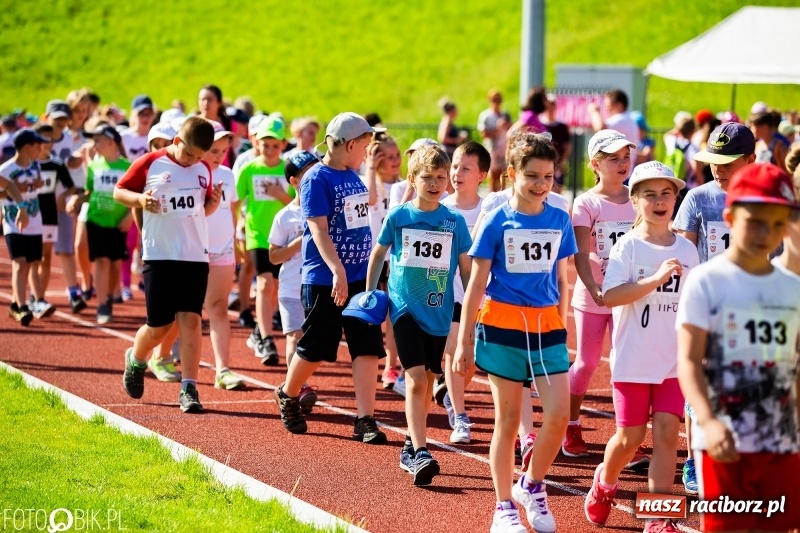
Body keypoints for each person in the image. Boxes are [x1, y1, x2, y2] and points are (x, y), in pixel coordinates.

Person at [455, 131, 576, 533]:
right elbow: (475, 282)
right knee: (507, 421)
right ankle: (503, 507)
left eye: (549, 176)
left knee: (558, 416)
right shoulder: (495, 219)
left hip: (545, 325)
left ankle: (531, 485)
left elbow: (561, 278)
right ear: (511, 175)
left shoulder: (559, 218)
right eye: (533, 176)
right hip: (502, 323)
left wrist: (561, 322)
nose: (542, 184)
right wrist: (465, 340)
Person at [676, 163, 800, 532]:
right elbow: (688, 361)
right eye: (755, 219)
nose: (766, 232)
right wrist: (709, 422)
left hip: (780, 442)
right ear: (729, 216)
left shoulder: (792, 288)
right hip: (723, 441)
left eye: (777, 222)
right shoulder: (705, 281)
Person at [584, 162, 698, 533]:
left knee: (666, 433)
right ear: (635, 201)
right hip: (633, 359)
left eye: (666, 193)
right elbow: (612, 296)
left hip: (672, 361)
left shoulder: (687, 250)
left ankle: (657, 515)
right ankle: (605, 482)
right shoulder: (627, 247)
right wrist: (655, 279)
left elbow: (694, 303)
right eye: (649, 194)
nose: (659, 200)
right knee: (630, 439)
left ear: (675, 198)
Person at [273, 112, 387, 443]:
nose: (366, 151)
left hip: (358, 279)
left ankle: (365, 419)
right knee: (316, 348)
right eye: (364, 145)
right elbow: (318, 230)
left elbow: (361, 224)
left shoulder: (353, 176)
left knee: (366, 347)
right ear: (350, 145)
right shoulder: (316, 179)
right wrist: (337, 269)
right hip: (325, 279)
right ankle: (288, 392)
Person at [366, 143, 471, 484]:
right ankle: (421, 451)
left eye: (441, 177)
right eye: (427, 177)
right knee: (417, 379)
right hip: (404, 307)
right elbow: (378, 254)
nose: (435, 183)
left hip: (439, 311)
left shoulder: (453, 222)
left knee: (428, 379)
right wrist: (370, 292)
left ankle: (412, 441)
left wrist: (470, 305)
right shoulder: (399, 216)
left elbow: (467, 268)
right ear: (412, 178)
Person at [671, 122, 756, 495]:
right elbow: (685, 252)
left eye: (728, 161)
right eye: (714, 161)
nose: (718, 168)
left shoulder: (763, 201)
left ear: (751, 160)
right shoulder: (696, 198)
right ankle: (693, 460)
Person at [114, 117, 221, 413]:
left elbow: (201, 210)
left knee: (191, 320)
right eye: (188, 154)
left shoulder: (203, 169)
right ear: (176, 142)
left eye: (199, 157)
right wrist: (140, 200)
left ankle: (189, 388)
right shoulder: (150, 163)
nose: (193, 161)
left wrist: (212, 203)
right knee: (159, 326)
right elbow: (119, 192)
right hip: (159, 254)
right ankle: (136, 359)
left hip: (194, 255)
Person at [565, 130, 637, 459]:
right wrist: (594, 287)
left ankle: (626, 437)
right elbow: (580, 254)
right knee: (587, 362)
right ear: (595, 164)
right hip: (593, 295)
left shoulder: (638, 197)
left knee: (626, 363)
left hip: (629, 297)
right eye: (613, 158)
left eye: (626, 156)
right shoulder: (587, 203)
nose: (623, 163)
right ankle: (570, 424)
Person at [440, 140, 489, 444]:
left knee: (472, 361)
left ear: (481, 175)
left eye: (465, 168)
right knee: (455, 351)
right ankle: (460, 417)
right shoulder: (441, 209)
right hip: (450, 294)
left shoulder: (491, 209)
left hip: (485, 297)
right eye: (454, 165)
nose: (456, 172)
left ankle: (449, 391)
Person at [235, 117, 292, 365]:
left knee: (275, 289)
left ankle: (260, 329)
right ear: (257, 142)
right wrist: (235, 227)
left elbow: (298, 206)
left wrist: (280, 195)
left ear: (283, 144)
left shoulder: (289, 170)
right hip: (257, 235)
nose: (269, 150)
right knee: (265, 284)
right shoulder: (249, 169)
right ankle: (267, 339)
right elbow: (235, 202)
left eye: (275, 146)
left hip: (283, 238)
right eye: (265, 144)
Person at [269, 151, 319, 410]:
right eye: (307, 173)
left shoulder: (324, 210)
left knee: (313, 341)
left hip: (317, 285)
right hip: (291, 286)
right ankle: (297, 388)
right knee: (294, 337)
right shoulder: (285, 216)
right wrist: (298, 243)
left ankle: (299, 383)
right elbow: (274, 256)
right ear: (294, 181)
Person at [67, 125, 131, 324]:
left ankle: (110, 297)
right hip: (96, 220)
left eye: (97, 140)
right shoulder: (94, 166)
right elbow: (89, 192)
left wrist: (129, 215)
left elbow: (134, 195)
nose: (93, 145)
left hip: (118, 223)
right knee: (101, 261)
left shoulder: (127, 167)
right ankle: (102, 304)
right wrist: (76, 200)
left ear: (111, 142)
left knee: (114, 265)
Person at [203, 121, 244, 390]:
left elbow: (232, 210)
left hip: (223, 249)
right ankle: (163, 356)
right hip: (193, 249)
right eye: (212, 150)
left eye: (222, 150)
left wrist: (233, 242)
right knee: (186, 310)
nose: (218, 156)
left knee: (218, 308)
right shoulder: (191, 173)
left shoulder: (229, 175)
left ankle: (223, 369)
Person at [362, 133, 402, 390]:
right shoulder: (371, 183)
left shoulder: (403, 186)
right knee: (372, 315)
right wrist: (370, 166)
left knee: (394, 315)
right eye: (387, 157)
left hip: (397, 259)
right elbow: (369, 201)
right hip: (376, 259)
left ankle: (391, 365)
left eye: (397, 155)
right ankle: (368, 364)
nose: (395, 160)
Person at [31, 123, 78, 312]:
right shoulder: (29, 164)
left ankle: (39, 298)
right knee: (31, 258)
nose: (47, 143)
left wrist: (61, 197)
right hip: (32, 214)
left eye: (50, 140)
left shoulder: (56, 163)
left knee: (46, 256)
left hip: (50, 214)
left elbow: (71, 186)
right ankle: (33, 296)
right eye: (43, 140)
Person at [1, 129, 41, 325]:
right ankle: (23, 306)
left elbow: (16, 188)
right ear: (27, 147)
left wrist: (34, 187)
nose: (40, 148)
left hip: (34, 221)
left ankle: (16, 303)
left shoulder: (36, 166)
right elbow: (6, 190)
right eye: (37, 144)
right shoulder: (6, 169)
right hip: (12, 223)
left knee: (32, 264)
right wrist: (15, 197)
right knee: (20, 263)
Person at [588, 89, 639, 176]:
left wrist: (594, 111)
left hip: (619, 174)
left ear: (619, 105)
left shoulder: (621, 119)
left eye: (609, 105)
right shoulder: (628, 119)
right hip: (624, 172)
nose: (607, 109)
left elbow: (600, 128)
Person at [477, 89, 512, 192]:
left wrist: (507, 125)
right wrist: (497, 129)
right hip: (492, 149)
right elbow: (483, 134)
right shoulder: (486, 116)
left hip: (504, 148)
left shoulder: (505, 115)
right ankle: (492, 195)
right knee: (494, 175)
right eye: (495, 100)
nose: (497, 102)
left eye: (499, 100)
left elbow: (511, 128)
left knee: (504, 175)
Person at [120, 95, 156, 161]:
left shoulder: (156, 137)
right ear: (134, 114)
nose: (145, 118)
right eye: (141, 114)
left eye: (148, 114)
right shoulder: (124, 137)